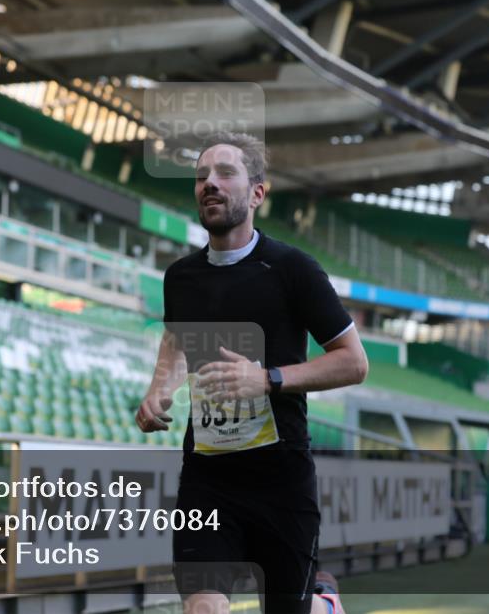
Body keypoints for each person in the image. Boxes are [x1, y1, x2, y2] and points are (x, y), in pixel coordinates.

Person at [136, 132, 369, 614]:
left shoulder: (293, 270)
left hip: (281, 481)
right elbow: (176, 339)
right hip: (208, 477)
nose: (210, 184)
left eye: (225, 173)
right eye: (202, 177)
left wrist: (266, 379)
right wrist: (159, 389)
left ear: (258, 192)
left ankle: (323, 602)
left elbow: (353, 361)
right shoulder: (181, 277)